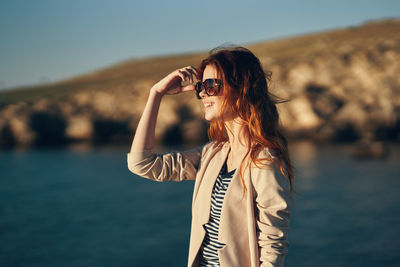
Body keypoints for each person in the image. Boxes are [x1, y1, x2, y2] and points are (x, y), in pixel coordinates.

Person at [127, 46, 295, 267]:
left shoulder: (264, 159)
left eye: (211, 85)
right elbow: (142, 164)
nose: (203, 94)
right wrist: (156, 94)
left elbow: (273, 245)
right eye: (200, 87)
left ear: (241, 88)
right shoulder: (213, 153)